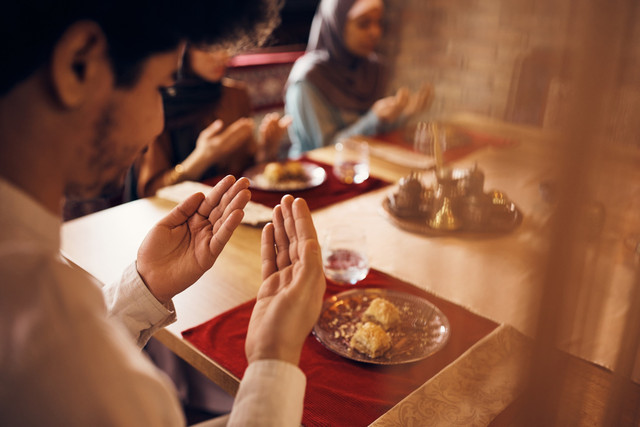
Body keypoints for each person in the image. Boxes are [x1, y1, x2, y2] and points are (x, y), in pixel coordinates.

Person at [0, 1, 326, 426]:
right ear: (78, 64)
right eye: (159, 88)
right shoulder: (48, 335)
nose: (158, 123)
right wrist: (274, 356)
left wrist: (144, 287)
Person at [130, 44, 292, 199]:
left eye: (226, 45)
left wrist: (266, 152)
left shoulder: (235, 95)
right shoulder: (159, 102)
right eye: (208, 48)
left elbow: (245, 173)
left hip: (229, 207)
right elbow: (151, 193)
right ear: (182, 50)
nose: (222, 55)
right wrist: (202, 157)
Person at [284, 0, 434, 157]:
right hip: (317, 173)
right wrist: (374, 119)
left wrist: (402, 115)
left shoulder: (373, 69)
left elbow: (377, 134)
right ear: (337, 23)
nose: (375, 32)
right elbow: (324, 149)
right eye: (363, 24)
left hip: (365, 166)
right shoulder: (309, 79)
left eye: (379, 23)